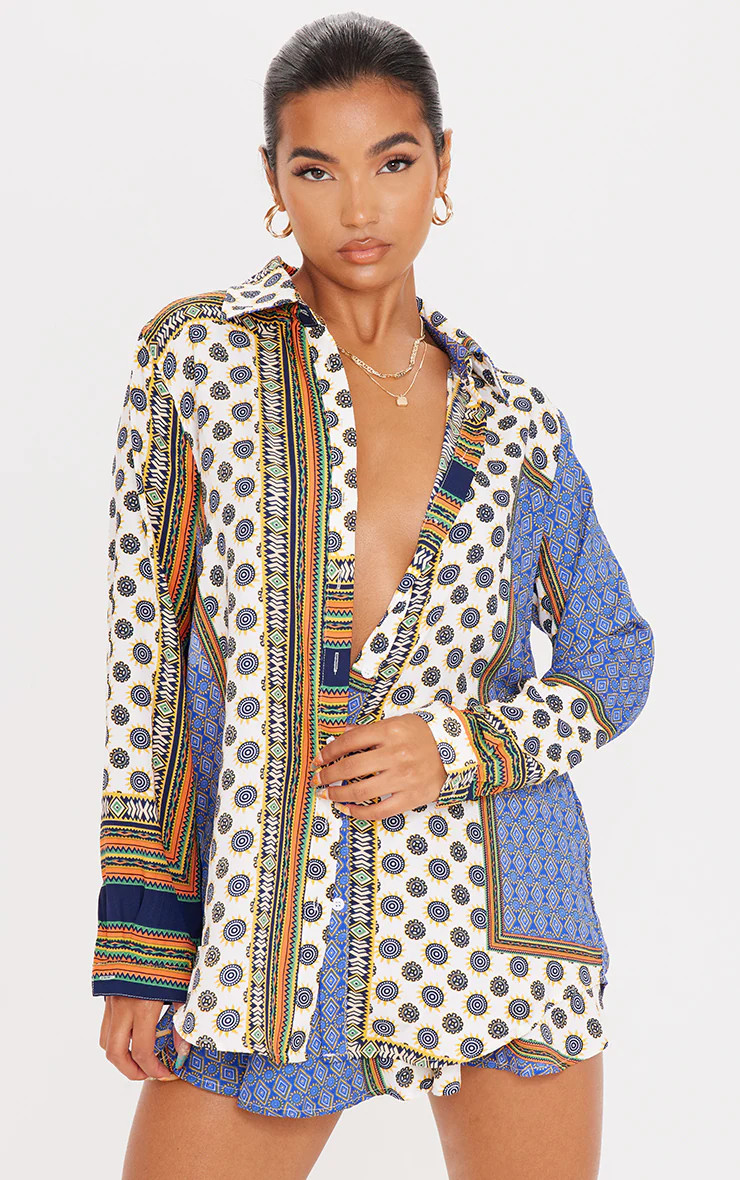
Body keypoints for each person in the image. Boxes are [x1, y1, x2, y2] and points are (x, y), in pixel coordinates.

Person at [93, 13, 655, 1180]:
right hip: (272, 934)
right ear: (272, 182)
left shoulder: (515, 420)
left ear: (441, 166)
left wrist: (457, 748)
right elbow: (146, 670)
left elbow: (613, 650)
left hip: (503, 918)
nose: (358, 206)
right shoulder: (195, 361)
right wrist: (142, 947)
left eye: (392, 161)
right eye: (317, 169)